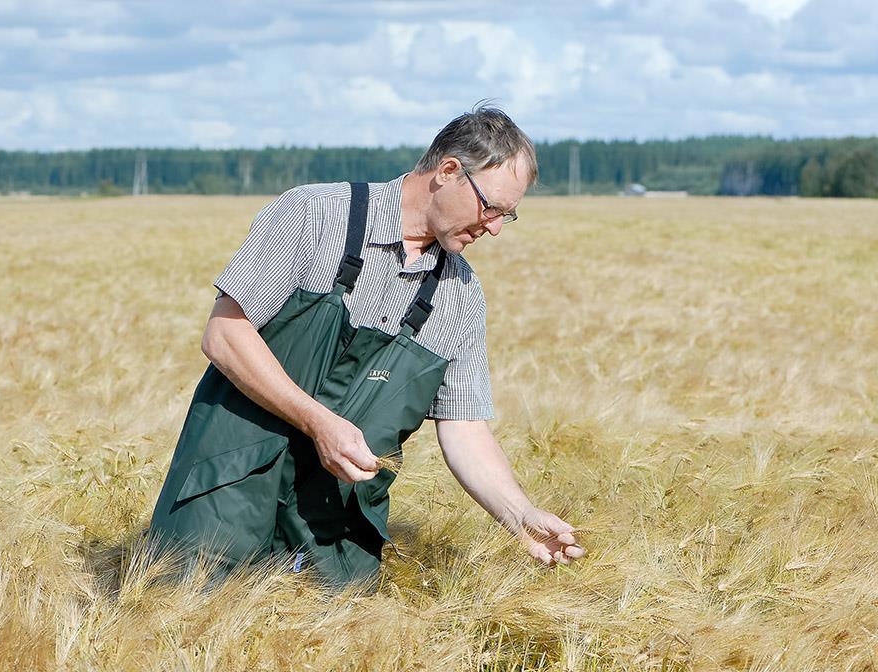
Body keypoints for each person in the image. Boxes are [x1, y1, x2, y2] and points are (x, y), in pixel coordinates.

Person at [149, 105, 585, 588]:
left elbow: (463, 424)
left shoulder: (460, 294)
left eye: (509, 215)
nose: (496, 227)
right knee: (188, 614)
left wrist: (520, 514)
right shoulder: (315, 214)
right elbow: (225, 335)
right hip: (228, 481)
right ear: (448, 172)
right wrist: (319, 422)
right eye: (492, 207)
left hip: (333, 523)